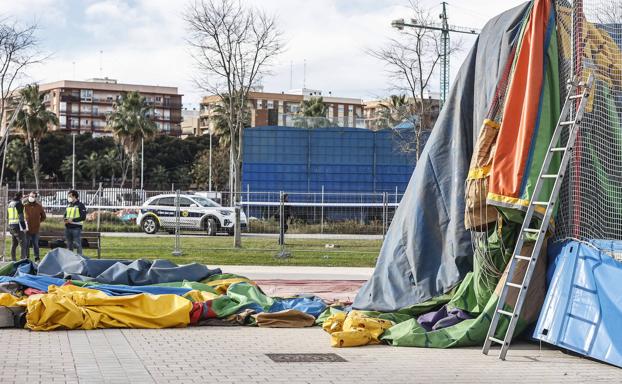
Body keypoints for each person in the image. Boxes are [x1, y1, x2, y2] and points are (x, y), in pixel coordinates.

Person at [24, 191, 46, 262]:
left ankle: (37, 258)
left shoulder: (39, 206)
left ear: (35, 198)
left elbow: (43, 216)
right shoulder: (25, 205)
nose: (31, 197)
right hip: (27, 229)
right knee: (26, 244)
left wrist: (38, 222)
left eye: (33, 196)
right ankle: (26, 258)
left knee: (35, 244)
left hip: (36, 229)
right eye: (30, 196)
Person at [64, 190, 86, 255]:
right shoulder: (68, 205)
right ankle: (70, 260)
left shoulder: (80, 205)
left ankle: (80, 259)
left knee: (78, 245)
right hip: (67, 228)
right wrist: (64, 219)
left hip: (76, 228)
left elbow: (83, 217)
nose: (68, 198)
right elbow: (65, 215)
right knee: (69, 245)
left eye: (70, 196)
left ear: (74, 196)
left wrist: (73, 220)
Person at [7, 192, 27, 261]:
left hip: (11, 225)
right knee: (23, 243)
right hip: (17, 226)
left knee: (14, 244)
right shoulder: (18, 204)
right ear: (21, 197)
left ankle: (13, 260)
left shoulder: (10, 203)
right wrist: (24, 227)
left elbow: (8, 216)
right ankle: (23, 260)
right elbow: (21, 217)